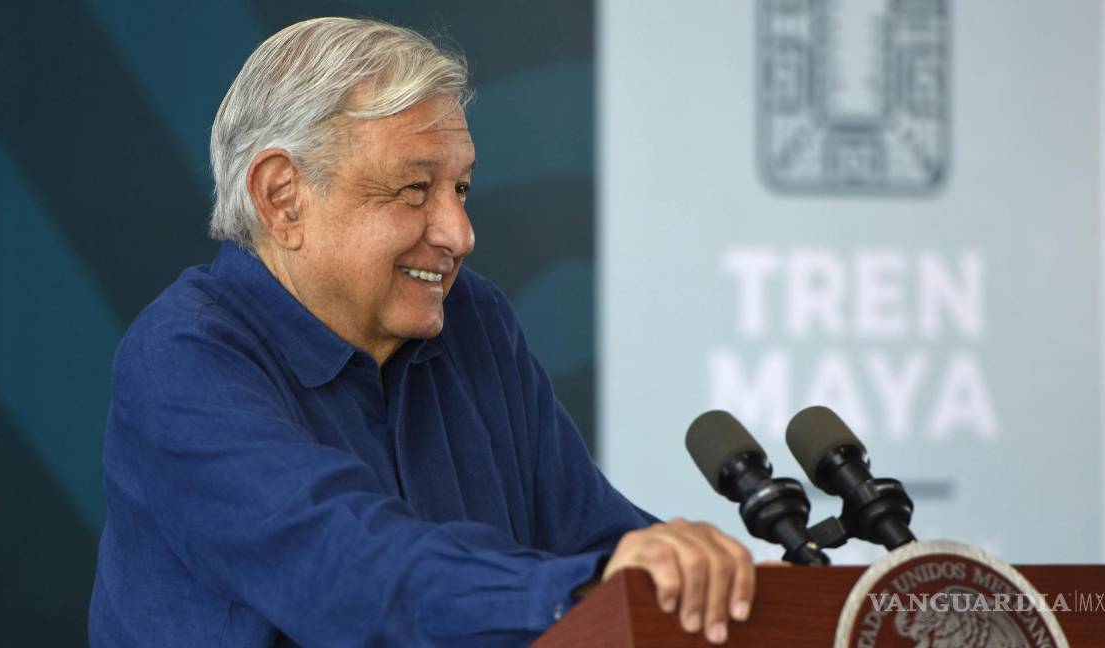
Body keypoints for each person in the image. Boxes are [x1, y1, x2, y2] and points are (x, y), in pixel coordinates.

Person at [89, 17, 756, 647]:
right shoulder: (183, 357)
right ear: (283, 197)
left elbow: (597, 542)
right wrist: (580, 589)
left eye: (460, 189)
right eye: (414, 191)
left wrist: (707, 582)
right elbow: (348, 567)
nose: (459, 234)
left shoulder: (473, 322)